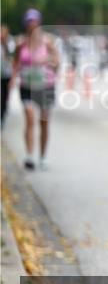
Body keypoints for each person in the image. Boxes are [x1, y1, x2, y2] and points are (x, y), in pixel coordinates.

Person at [11, 9, 61, 170]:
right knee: (30, 118)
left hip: (46, 85)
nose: (32, 24)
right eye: (29, 21)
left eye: (34, 20)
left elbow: (57, 61)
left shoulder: (48, 41)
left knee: (44, 122)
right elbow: (16, 63)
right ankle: (29, 155)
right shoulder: (21, 43)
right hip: (27, 86)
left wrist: (48, 61)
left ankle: (43, 156)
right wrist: (13, 78)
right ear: (26, 23)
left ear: (39, 22)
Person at [1, 25, 12, 126]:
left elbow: (12, 60)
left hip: (6, 75)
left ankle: (2, 116)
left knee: (4, 97)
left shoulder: (10, 44)